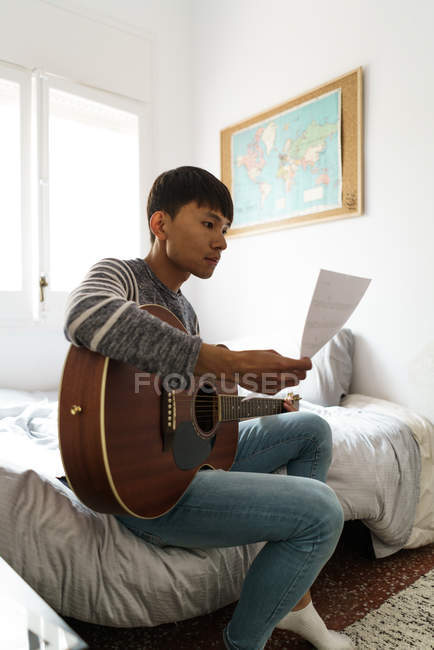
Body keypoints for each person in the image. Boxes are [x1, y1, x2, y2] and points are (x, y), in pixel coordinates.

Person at [63, 166, 354, 650]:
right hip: (145, 488)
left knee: (310, 429)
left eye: (226, 229)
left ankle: (294, 598)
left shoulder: (185, 310)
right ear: (160, 224)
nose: (221, 241)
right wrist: (226, 359)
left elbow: (189, 409)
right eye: (209, 223)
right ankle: (244, 642)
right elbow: (84, 314)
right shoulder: (121, 275)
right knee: (322, 511)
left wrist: (265, 396)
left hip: (185, 462)